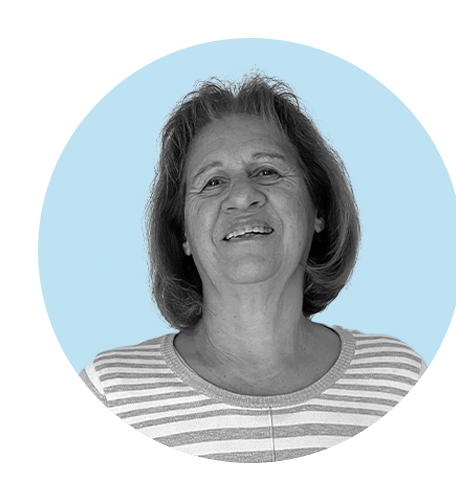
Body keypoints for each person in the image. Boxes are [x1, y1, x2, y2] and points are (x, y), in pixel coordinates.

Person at [79, 74, 426, 463]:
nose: (242, 196)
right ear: (183, 234)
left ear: (318, 209)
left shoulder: (400, 381)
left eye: (267, 171)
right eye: (213, 182)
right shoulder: (111, 394)